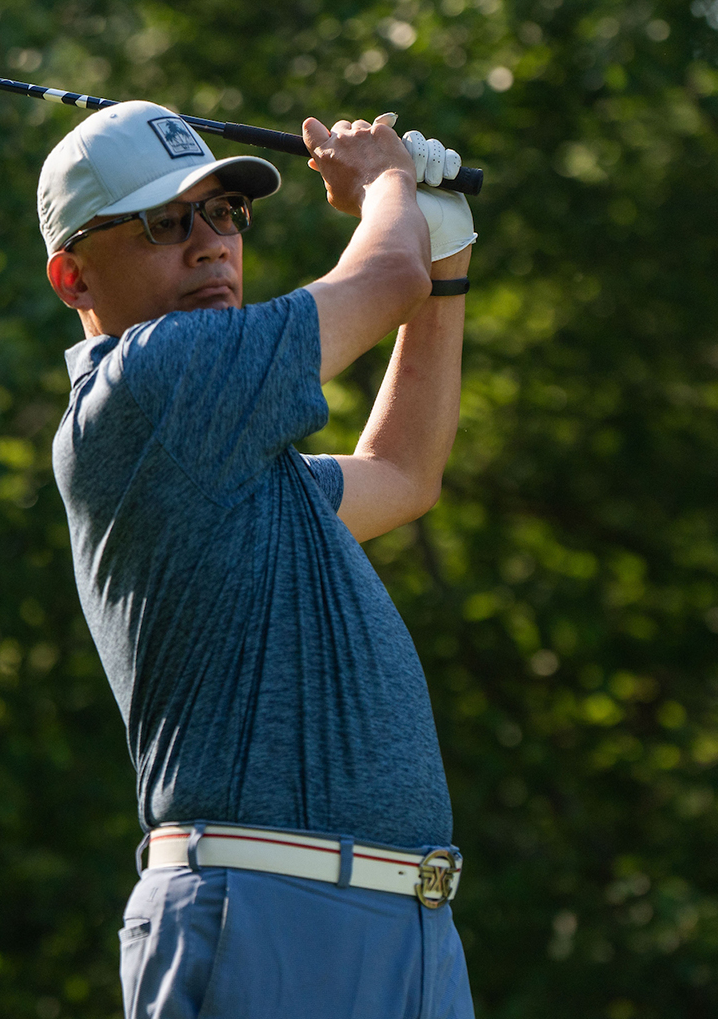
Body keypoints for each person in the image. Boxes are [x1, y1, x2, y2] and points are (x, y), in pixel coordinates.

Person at [39, 99, 477, 1018]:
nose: (210, 246)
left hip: (409, 925)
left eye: (224, 213)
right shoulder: (151, 382)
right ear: (73, 276)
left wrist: (445, 259)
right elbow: (384, 275)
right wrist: (387, 186)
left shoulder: (237, 461)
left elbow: (403, 474)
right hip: (265, 915)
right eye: (164, 224)